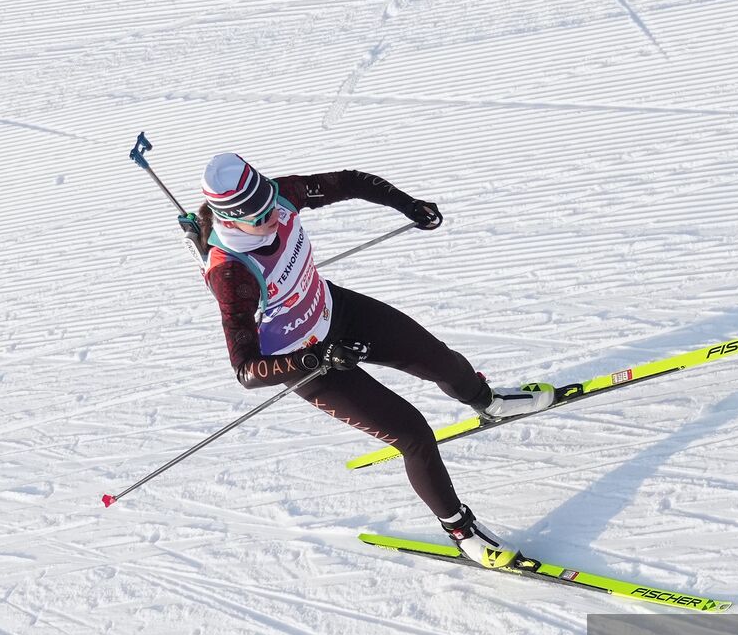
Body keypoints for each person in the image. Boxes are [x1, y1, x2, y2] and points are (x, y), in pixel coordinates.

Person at [192, 152, 551, 568]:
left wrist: (408, 204)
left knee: (440, 359)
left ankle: (488, 402)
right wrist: (316, 358)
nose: (271, 215)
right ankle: (461, 531)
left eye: (269, 202)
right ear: (231, 221)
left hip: (337, 310)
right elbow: (246, 372)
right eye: (257, 215)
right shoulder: (231, 274)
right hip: (309, 364)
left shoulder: (281, 195)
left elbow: (349, 180)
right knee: (414, 435)